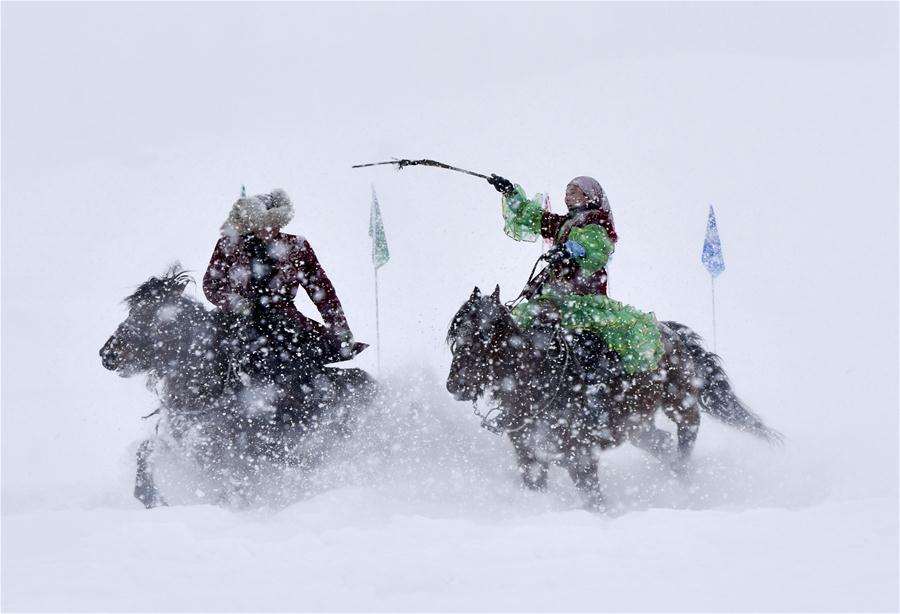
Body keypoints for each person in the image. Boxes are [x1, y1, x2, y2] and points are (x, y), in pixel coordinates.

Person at [487, 174, 663, 376]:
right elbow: (532, 215)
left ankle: (595, 388)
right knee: (519, 336)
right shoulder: (563, 223)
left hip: (582, 301)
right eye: (566, 193)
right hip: (555, 298)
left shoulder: (597, 222)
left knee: (586, 346)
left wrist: (571, 249)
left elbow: (596, 248)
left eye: (573, 192)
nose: (567, 197)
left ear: (589, 196)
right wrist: (509, 192)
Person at [203, 189, 359, 390]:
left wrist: (339, 326)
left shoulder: (296, 246)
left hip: (283, 321)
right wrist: (235, 302)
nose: (270, 230)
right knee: (204, 347)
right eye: (263, 224)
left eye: (275, 224)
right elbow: (211, 284)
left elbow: (322, 291)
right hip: (236, 318)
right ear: (251, 223)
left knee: (298, 365)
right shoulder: (229, 245)